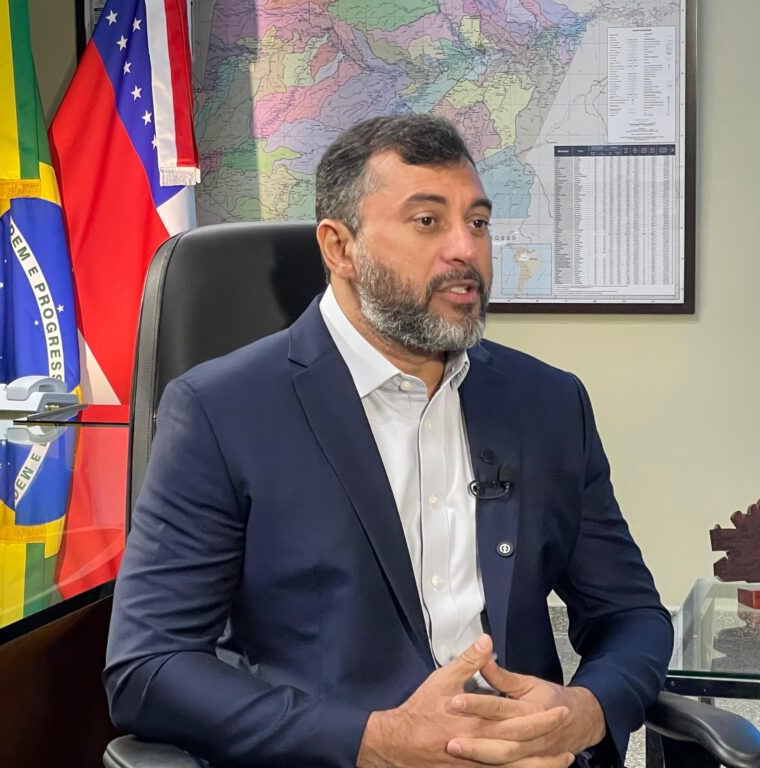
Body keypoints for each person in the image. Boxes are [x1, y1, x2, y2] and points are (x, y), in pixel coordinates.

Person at [105, 114, 673, 768]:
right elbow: (149, 666)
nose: (465, 249)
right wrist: (372, 740)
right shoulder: (220, 411)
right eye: (428, 221)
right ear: (339, 247)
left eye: (478, 222)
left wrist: (585, 711)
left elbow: (632, 615)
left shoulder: (547, 403)